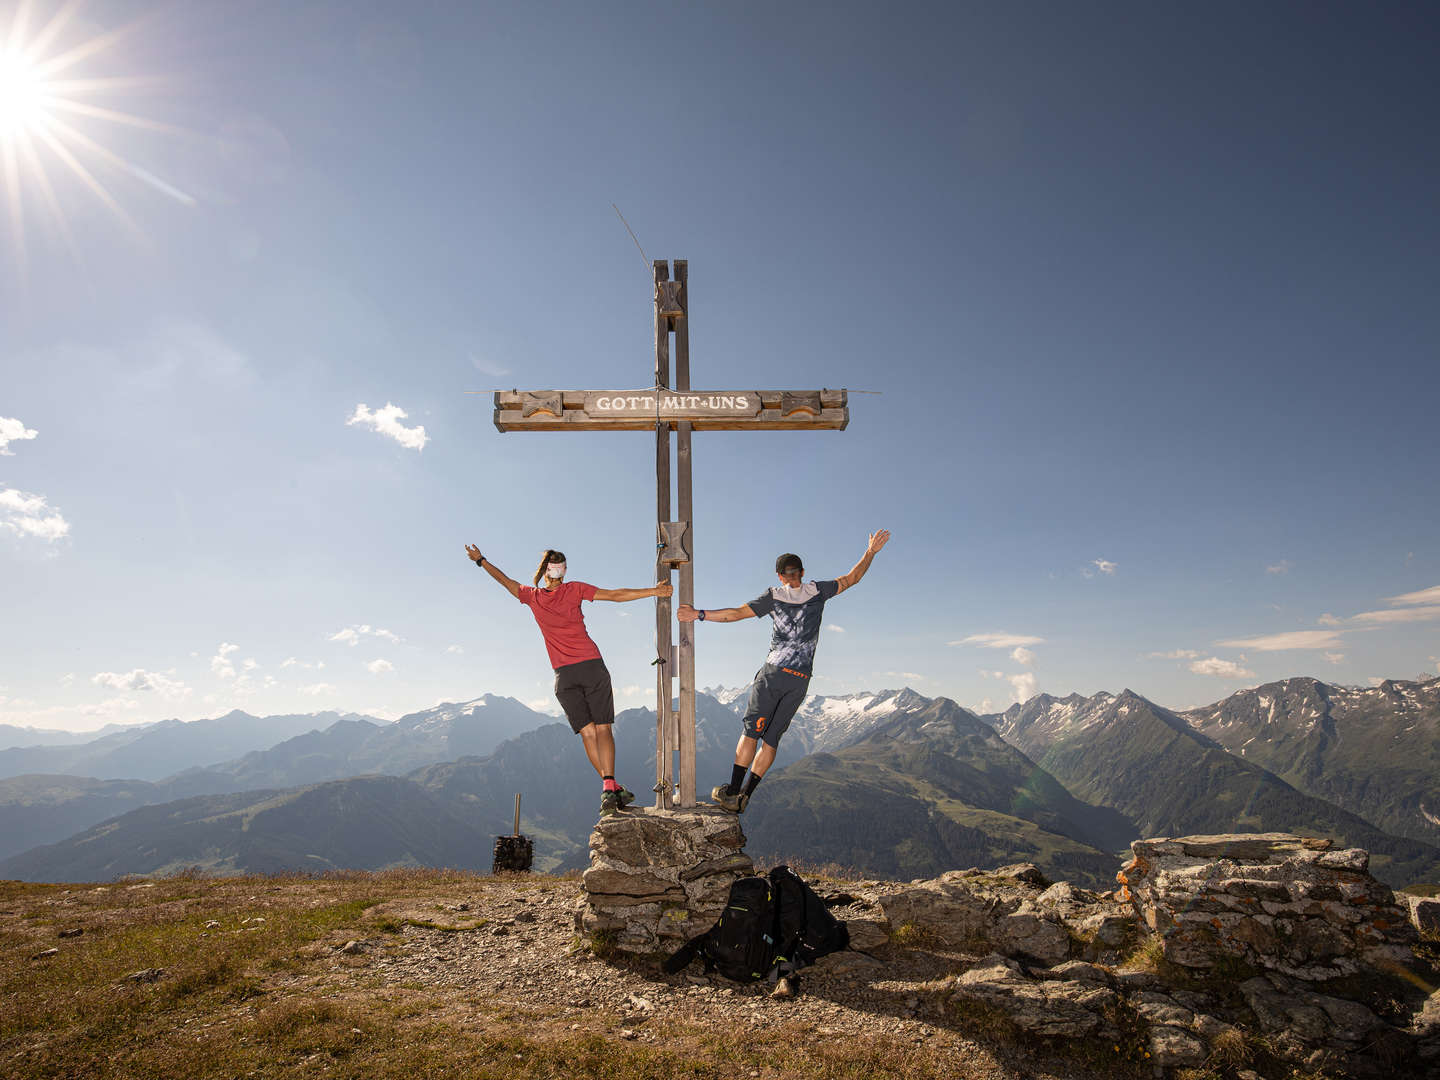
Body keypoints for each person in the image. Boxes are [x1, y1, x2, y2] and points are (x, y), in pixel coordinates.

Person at [678, 530, 891, 812]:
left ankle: (732, 790)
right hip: (800, 680)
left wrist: (699, 614)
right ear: (802, 572)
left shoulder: (774, 596)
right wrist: (870, 552)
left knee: (751, 732)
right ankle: (746, 796)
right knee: (771, 740)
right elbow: (853, 578)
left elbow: (736, 614)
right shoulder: (818, 591)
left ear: (780, 575)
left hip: (774, 674)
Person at [465, 544, 671, 816]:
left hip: (563, 676)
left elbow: (505, 581)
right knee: (603, 729)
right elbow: (615, 596)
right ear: (560, 571)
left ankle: (611, 786)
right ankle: (610, 787)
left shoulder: (532, 596)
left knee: (587, 733)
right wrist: (654, 591)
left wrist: (480, 560)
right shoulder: (574, 589)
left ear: (545, 571)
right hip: (592, 667)